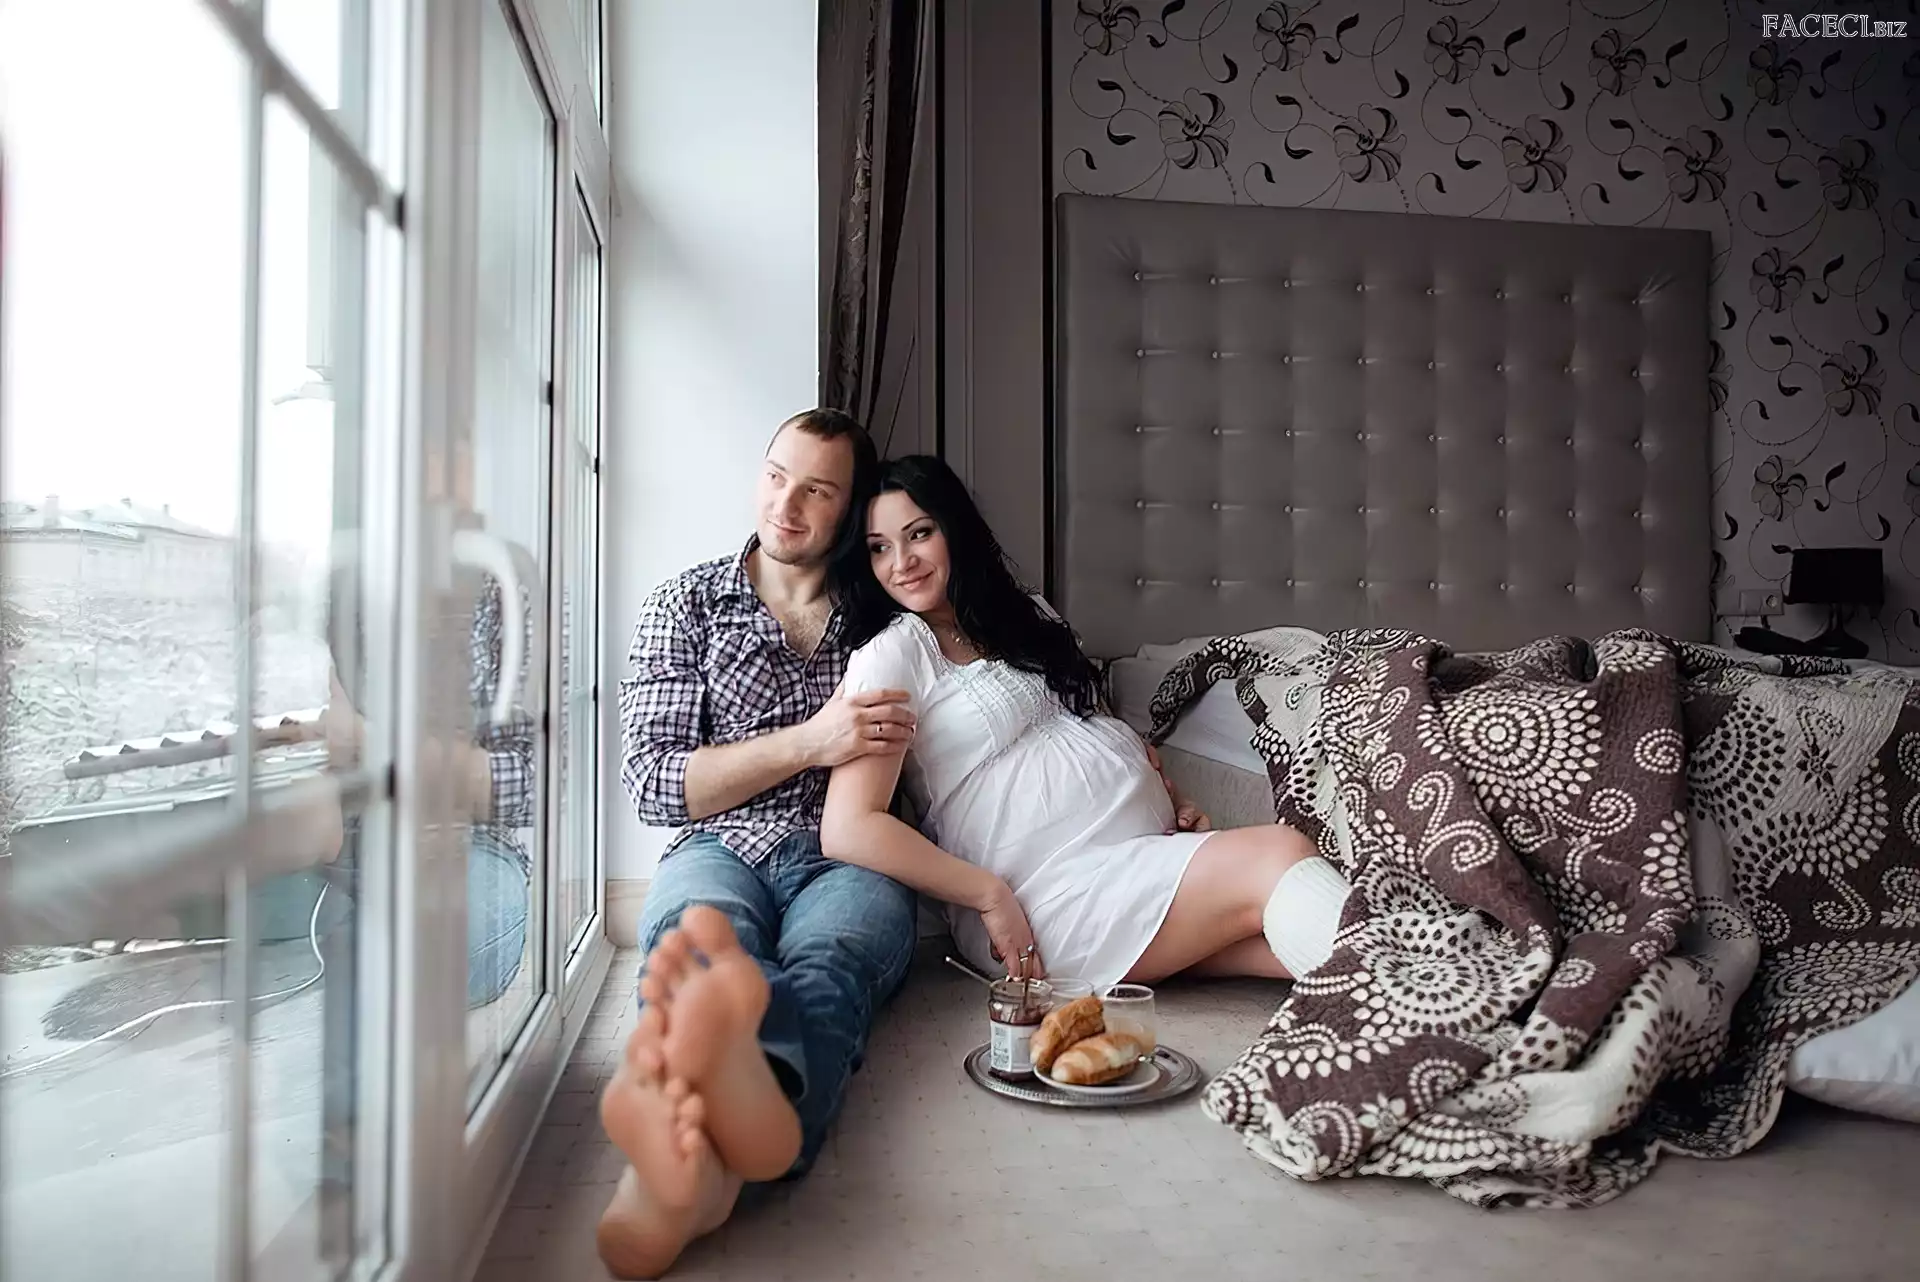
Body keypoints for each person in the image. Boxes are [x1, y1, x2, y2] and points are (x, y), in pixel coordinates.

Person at [818, 454, 1354, 992]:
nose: (902, 562)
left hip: (1138, 857)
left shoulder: (1024, 616)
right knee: (1281, 855)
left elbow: (1089, 730)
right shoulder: (894, 652)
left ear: (953, 528)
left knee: (1298, 942)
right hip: (1041, 901)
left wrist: (1166, 797)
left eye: (919, 533)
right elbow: (849, 827)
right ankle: (1391, 996)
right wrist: (987, 894)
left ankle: (1396, 1004)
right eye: (879, 548)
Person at [596, 409, 920, 1278]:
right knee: (703, 943)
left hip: (849, 857)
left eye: (817, 490)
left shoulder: (885, 616)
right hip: (718, 846)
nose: (786, 505)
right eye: (777, 476)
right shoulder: (687, 602)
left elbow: (993, 672)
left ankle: (685, 1178)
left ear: (850, 508)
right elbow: (654, 784)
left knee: (831, 963)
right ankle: (734, 1144)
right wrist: (811, 742)